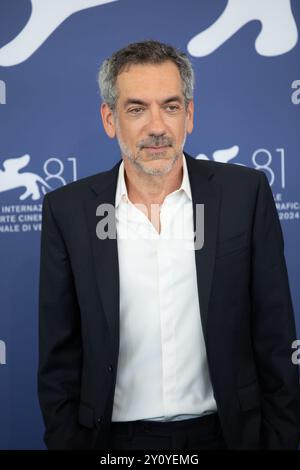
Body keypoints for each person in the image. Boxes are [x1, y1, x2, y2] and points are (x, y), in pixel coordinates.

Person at [37, 40, 300, 450]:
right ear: (110, 119)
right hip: (114, 442)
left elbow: (275, 335)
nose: (157, 126)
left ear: (189, 115)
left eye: (171, 106)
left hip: (227, 436)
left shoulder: (244, 195)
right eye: (137, 108)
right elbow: (59, 356)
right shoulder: (67, 211)